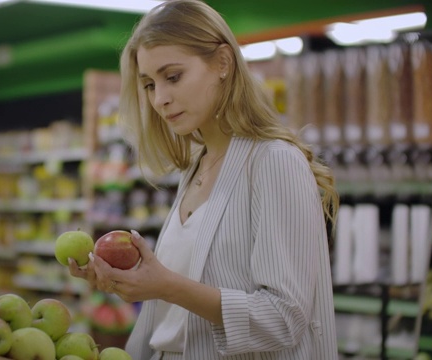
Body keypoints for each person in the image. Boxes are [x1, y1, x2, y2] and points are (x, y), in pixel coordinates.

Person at [68, 0, 340, 359]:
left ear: (223, 63)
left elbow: (283, 319)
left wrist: (167, 287)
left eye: (173, 76)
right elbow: (186, 303)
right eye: (149, 85)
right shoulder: (198, 167)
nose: (160, 99)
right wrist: (134, 282)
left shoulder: (273, 162)